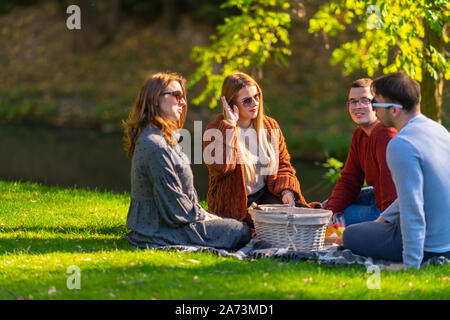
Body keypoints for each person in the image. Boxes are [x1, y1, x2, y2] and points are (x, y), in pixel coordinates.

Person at [123, 72, 251, 250]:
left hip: (166, 223)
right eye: (176, 96)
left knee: (237, 226)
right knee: (241, 231)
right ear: (154, 99)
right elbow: (176, 207)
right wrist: (206, 217)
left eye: (183, 97)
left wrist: (207, 215)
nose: (183, 102)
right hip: (161, 230)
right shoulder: (156, 146)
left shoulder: (159, 138)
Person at [343, 72, 450, 269]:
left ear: (394, 110)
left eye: (376, 104)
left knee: (350, 235)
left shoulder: (402, 144)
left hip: (430, 246)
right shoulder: (439, 130)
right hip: (446, 239)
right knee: (372, 224)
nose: (373, 109)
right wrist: (383, 219)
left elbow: (413, 210)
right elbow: (414, 193)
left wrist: (411, 265)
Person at [203, 72, 319, 228]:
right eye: (247, 100)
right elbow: (221, 169)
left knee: (303, 216)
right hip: (235, 204)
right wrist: (230, 127)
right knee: (250, 230)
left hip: (265, 197)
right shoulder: (216, 130)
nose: (254, 103)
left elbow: (284, 165)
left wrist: (286, 191)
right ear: (232, 105)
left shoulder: (270, 126)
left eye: (256, 96)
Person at [323, 78, 398, 227]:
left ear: (376, 104)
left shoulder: (385, 133)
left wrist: (386, 225)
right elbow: (350, 180)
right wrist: (329, 212)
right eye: (353, 101)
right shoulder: (360, 134)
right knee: (327, 208)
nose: (358, 106)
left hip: (391, 210)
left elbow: (394, 190)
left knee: (337, 217)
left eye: (365, 100)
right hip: (376, 195)